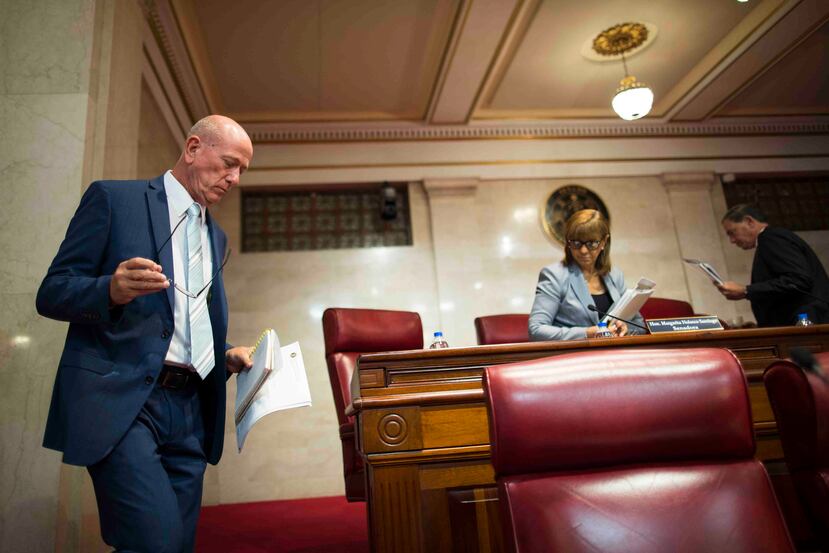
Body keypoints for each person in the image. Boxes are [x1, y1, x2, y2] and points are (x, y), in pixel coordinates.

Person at [36, 114, 255, 553]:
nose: (233, 178)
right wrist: (110, 290)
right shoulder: (115, 200)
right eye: (229, 163)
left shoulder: (216, 236)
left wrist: (225, 353)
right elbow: (52, 292)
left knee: (175, 545)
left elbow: (181, 320)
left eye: (241, 171)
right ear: (194, 149)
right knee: (153, 543)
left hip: (192, 411)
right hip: (126, 403)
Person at [529, 209, 645, 341]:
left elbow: (640, 325)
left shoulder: (615, 275)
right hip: (572, 357)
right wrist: (587, 333)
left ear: (604, 242)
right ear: (568, 242)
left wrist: (625, 329)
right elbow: (536, 330)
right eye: (576, 243)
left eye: (591, 243)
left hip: (612, 355)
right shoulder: (554, 275)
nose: (583, 250)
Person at [717, 203, 829, 326]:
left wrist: (746, 290)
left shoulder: (771, 238)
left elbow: (797, 280)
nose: (732, 240)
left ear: (749, 221)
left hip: (804, 320)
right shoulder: (769, 239)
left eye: (732, 232)